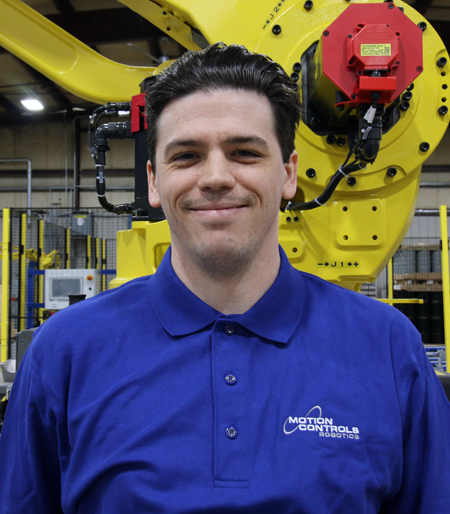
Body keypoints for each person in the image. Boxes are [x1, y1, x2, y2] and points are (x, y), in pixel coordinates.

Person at [0, 43, 449, 514]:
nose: (215, 177)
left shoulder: (386, 346)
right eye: (187, 156)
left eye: (245, 153)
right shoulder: (65, 352)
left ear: (289, 174)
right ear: (153, 182)